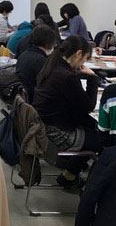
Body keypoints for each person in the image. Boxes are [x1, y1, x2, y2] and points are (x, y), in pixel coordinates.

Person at [33, 35, 101, 188]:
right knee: (103, 141)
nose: (83, 64)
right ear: (78, 54)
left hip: (44, 127)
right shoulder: (67, 77)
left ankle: (69, 175)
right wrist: (92, 78)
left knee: (92, 128)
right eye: (84, 59)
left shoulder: (52, 65)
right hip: (56, 134)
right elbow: (89, 105)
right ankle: (89, 184)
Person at [15, 25, 57, 103]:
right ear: (48, 43)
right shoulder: (40, 61)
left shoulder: (24, 54)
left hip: (25, 100)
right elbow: (49, 87)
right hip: (36, 101)